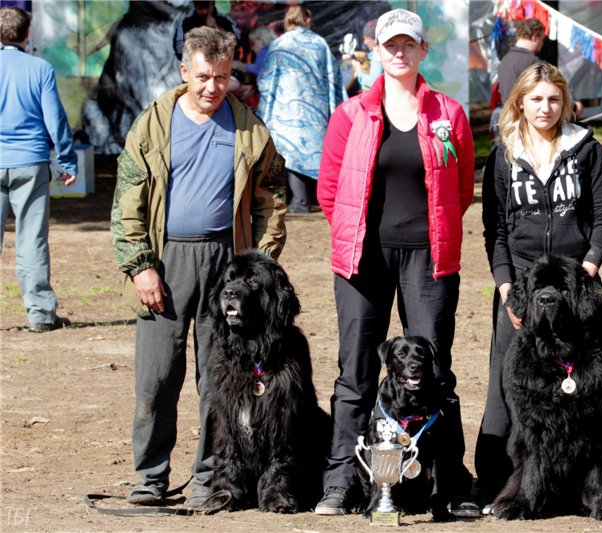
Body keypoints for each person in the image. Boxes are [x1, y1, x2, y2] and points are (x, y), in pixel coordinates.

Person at [111, 26, 287, 508]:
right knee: (156, 377)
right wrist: (140, 265)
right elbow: (127, 201)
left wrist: (258, 266)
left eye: (223, 77)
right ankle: (150, 478)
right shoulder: (152, 125)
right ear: (184, 70)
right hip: (165, 261)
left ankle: (213, 477)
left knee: (221, 380)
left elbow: (272, 197)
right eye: (204, 76)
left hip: (227, 265)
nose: (213, 87)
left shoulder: (250, 127)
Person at [314, 8, 479, 518]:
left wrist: (434, 232)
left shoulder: (449, 114)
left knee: (435, 371)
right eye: (391, 45)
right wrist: (356, 235)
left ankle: (450, 483)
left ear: (423, 50)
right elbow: (329, 189)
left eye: (409, 44)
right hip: (364, 257)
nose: (400, 52)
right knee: (356, 372)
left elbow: (462, 186)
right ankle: (341, 482)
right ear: (376, 50)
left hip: (429, 258)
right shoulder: (350, 114)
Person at [475, 62, 602, 513]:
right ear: (520, 102)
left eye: (554, 99)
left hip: (579, 287)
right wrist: (506, 289)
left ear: (565, 102)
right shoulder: (503, 155)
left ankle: (599, 489)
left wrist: (585, 274)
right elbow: (495, 230)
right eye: (536, 99)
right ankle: (499, 484)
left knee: (594, 393)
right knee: (508, 388)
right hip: (521, 287)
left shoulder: (586, 148)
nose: (545, 108)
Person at [0, 6, 77, 333]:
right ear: (27, 34)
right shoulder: (40, 68)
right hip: (30, 162)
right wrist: (67, 160)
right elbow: (55, 118)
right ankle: (41, 315)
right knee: (32, 240)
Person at [257, 5, 344, 214]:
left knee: (291, 151)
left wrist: (268, 104)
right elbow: (333, 76)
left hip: (285, 107)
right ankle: (316, 199)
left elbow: (266, 78)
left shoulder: (279, 44)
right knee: (313, 151)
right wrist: (333, 105)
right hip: (316, 108)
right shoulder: (320, 43)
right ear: (307, 20)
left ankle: (300, 201)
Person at [496, 18, 545, 105]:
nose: (542, 44)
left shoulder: (505, 59)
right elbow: (543, 92)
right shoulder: (531, 61)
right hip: (523, 111)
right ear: (534, 37)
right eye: (541, 40)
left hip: (507, 111)